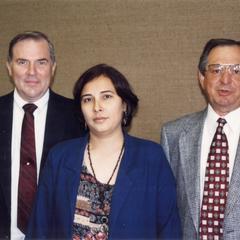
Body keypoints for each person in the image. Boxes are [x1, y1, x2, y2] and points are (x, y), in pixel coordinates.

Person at [26, 63, 181, 239]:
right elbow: (39, 229)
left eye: (106, 97)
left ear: (124, 105)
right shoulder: (60, 157)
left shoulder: (151, 157)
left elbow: (170, 230)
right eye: (87, 99)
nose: (97, 107)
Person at [0, 31, 83, 240]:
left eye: (41, 62)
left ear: (53, 68)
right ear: (8, 67)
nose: (32, 72)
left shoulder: (79, 117)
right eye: (22, 62)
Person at [161, 38, 240, 239]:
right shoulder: (174, 135)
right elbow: (165, 212)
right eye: (216, 70)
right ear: (202, 77)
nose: (225, 79)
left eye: (236, 70)